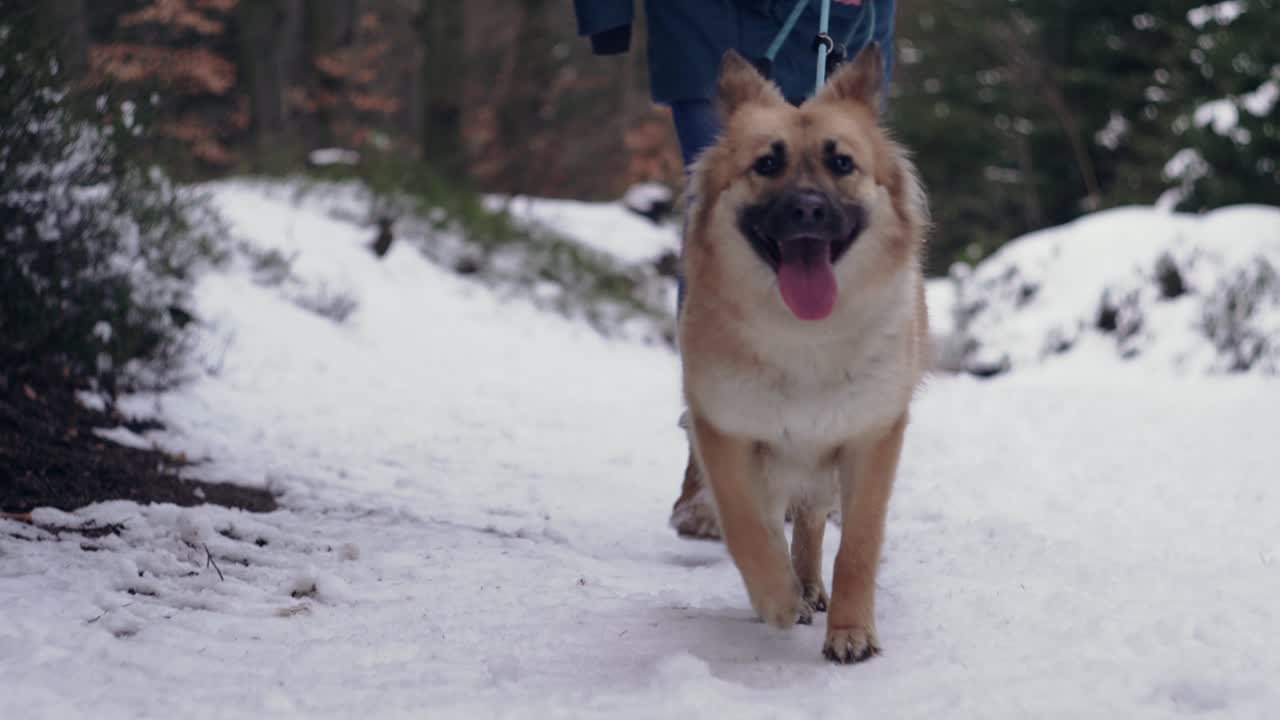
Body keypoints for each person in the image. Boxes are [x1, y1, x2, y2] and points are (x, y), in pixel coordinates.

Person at [573, 0, 897, 539]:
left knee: (833, 210)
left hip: (831, 16)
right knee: (724, 219)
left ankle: (821, 451)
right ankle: (714, 452)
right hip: (706, 21)